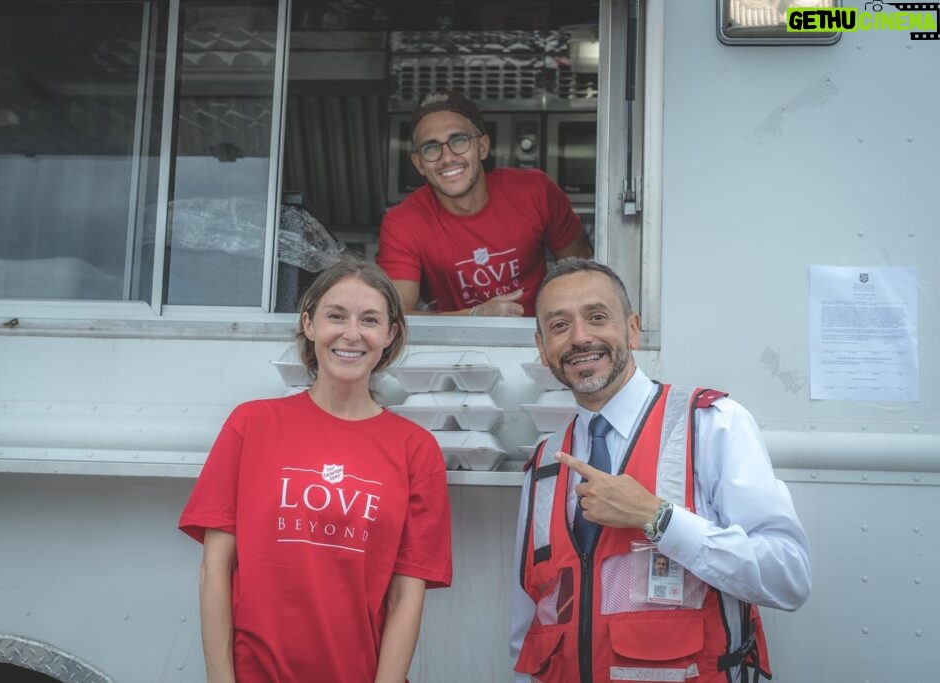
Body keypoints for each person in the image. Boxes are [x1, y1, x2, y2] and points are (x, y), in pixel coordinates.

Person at [510, 258, 811, 683]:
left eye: (597, 317)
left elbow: (789, 576)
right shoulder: (543, 464)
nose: (580, 337)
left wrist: (658, 517)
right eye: (560, 326)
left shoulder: (711, 423)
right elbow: (529, 626)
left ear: (632, 329)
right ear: (543, 348)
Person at [179, 254, 453, 683]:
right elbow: (215, 569)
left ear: (389, 334)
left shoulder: (416, 449)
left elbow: (406, 595)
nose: (351, 334)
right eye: (336, 316)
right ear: (310, 325)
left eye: (369, 320)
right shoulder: (251, 424)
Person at [376, 90, 593, 318]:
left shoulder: (535, 190)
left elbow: (583, 271)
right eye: (431, 148)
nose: (447, 157)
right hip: (455, 346)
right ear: (419, 164)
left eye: (458, 140)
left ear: (482, 147)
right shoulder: (402, 222)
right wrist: (475, 315)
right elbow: (396, 316)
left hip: (542, 338)